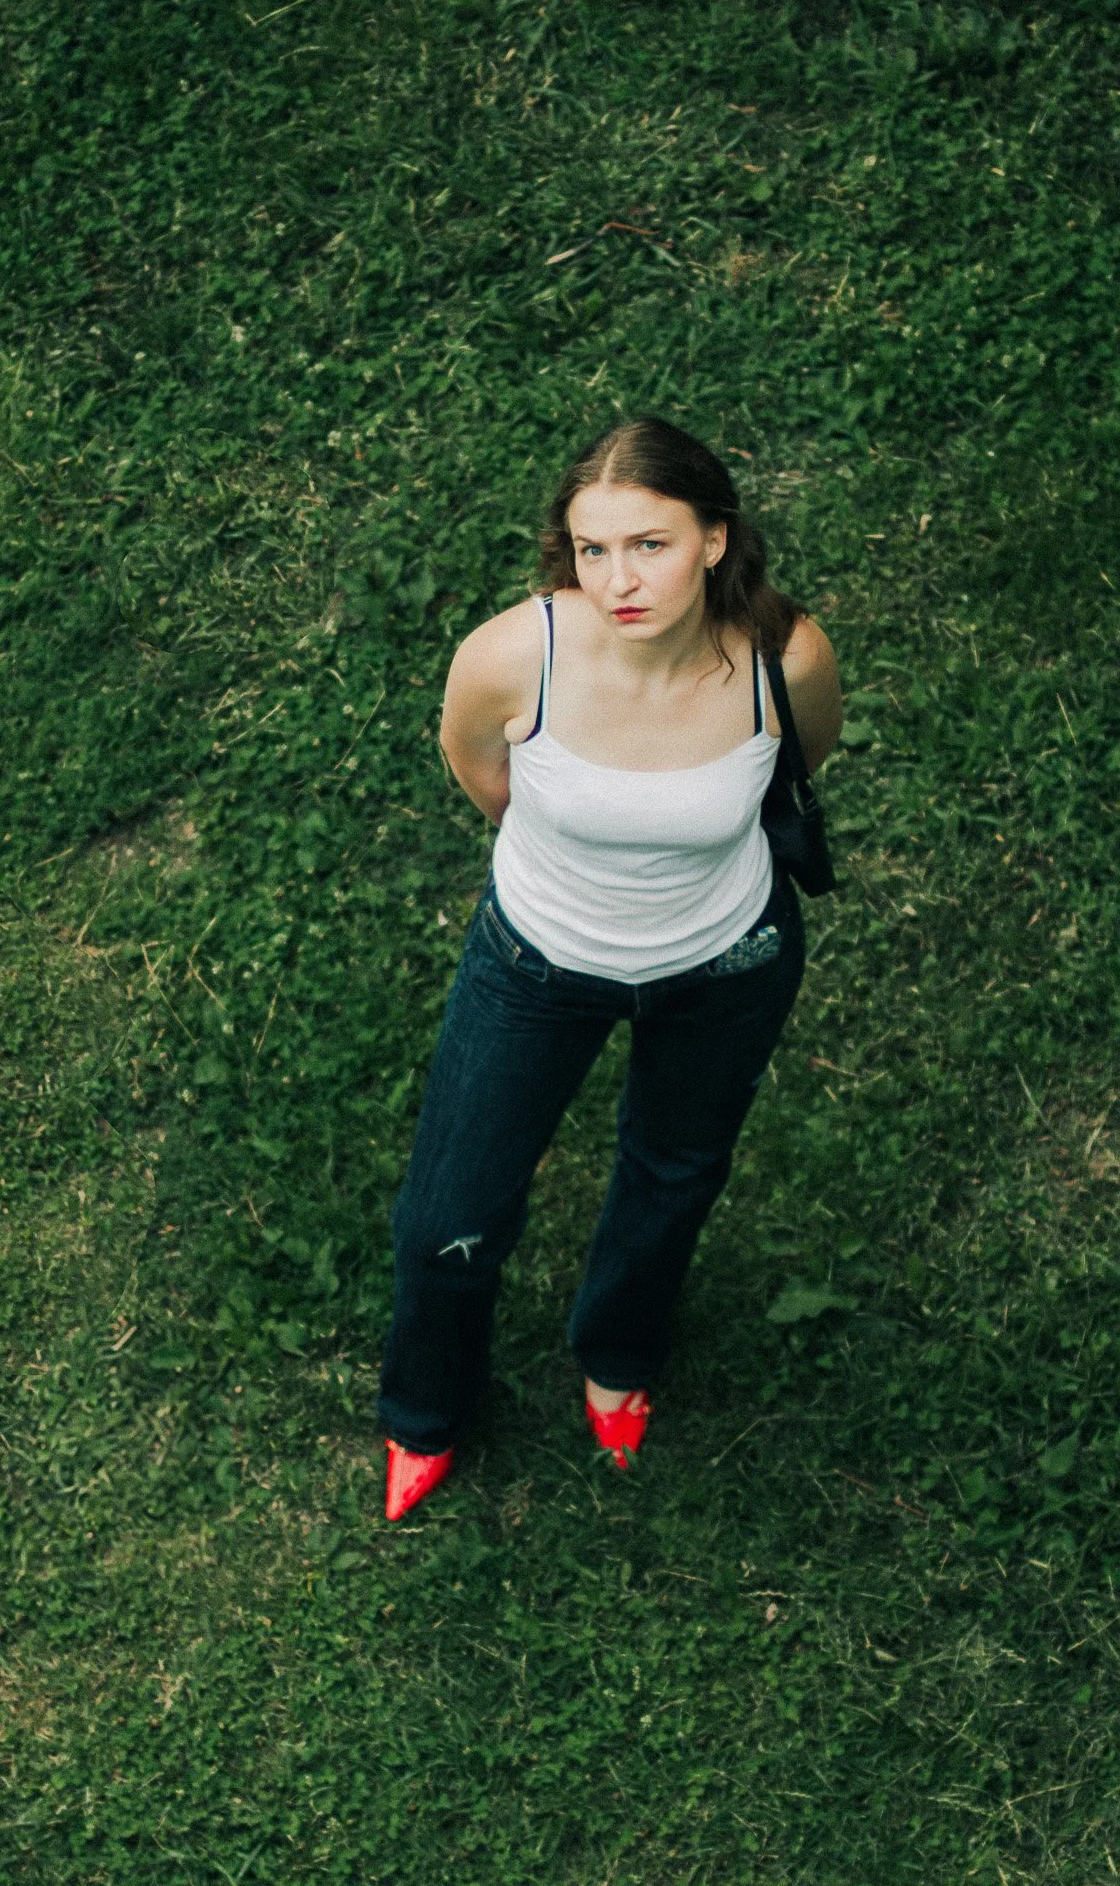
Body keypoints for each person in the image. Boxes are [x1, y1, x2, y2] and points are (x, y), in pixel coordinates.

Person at [377, 417, 843, 1520]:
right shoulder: (511, 654)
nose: (619, 580)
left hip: (728, 960)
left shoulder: (787, 656)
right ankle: (425, 1407)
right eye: (593, 550)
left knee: (674, 1172)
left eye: (650, 544)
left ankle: (620, 1351)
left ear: (715, 539)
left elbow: (799, 762)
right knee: (450, 1214)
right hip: (535, 963)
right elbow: (480, 769)